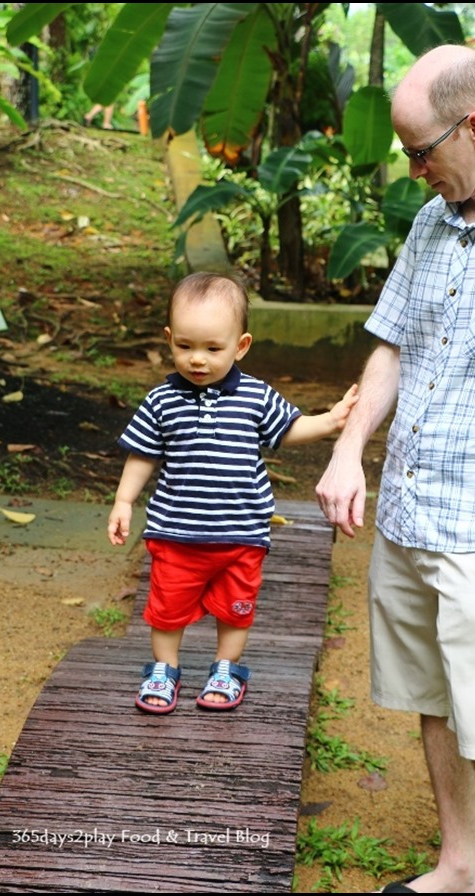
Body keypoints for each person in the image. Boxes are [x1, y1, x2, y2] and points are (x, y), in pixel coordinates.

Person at [316, 45, 475, 895]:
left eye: (421, 151)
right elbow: (391, 345)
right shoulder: (430, 221)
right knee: (433, 702)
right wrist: (349, 450)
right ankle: (457, 865)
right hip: (409, 514)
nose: (413, 169)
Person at [108, 271, 358, 715]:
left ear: (241, 345)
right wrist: (124, 501)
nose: (197, 360)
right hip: (176, 534)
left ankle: (226, 667)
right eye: (184, 346)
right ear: (169, 339)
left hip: (241, 535)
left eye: (212, 348)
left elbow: (290, 428)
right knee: (165, 610)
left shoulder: (255, 396)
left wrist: (330, 420)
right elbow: (143, 454)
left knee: (236, 610)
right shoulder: (162, 400)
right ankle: (165, 670)